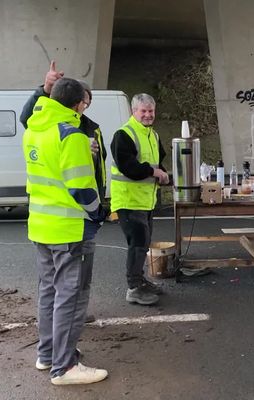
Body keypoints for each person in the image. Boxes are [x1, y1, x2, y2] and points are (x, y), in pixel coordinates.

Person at [23, 77, 108, 384]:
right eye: (84, 103)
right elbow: (82, 189)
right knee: (71, 297)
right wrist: (100, 213)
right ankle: (65, 367)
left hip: (41, 226)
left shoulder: (35, 129)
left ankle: (47, 355)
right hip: (70, 229)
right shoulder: (70, 135)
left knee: (48, 292)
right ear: (76, 104)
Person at [110, 93, 169, 306]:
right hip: (128, 200)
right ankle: (134, 288)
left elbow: (156, 163)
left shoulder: (152, 135)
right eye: (143, 111)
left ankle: (140, 281)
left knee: (142, 244)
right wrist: (155, 173)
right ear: (133, 112)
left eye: (150, 111)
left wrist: (164, 174)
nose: (147, 115)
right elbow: (129, 167)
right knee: (138, 245)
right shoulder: (124, 134)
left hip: (145, 201)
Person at [20, 61, 107, 201]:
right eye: (81, 102)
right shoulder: (47, 122)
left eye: (87, 103)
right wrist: (45, 90)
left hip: (78, 204)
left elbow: (100, 169)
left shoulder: (93, 128)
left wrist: (99, 199)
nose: (82, 107)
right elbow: (27, 118)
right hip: (59, 203)